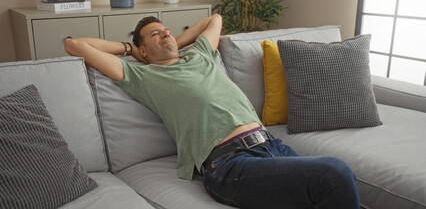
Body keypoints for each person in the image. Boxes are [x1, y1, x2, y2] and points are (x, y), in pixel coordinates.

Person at [65, 14, 360, 209]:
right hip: (231, 165)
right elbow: (74, 44)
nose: (166, 35)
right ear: (142, 51)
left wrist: (171, 42)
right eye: (156, 35)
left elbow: (214, 19)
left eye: (167, 31)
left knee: (332, 196)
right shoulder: (142, 77)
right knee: (334, 173)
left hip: (272, 147)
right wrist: (131, 49)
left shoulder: (200, 54)